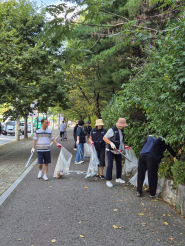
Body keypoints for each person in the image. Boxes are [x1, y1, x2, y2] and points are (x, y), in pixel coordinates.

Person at [103, 118, 128, 188]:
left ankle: (118, 178)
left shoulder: (122, 130)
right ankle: (108, 180)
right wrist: (110, 143)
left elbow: (121, 141)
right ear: (120, 125)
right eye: (123, 125)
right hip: (110, 150)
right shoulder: (112, 130)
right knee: (110, 165)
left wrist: (124, 146)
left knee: (119, 164)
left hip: (118, 150)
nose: (124, 127)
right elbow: (104, 138)